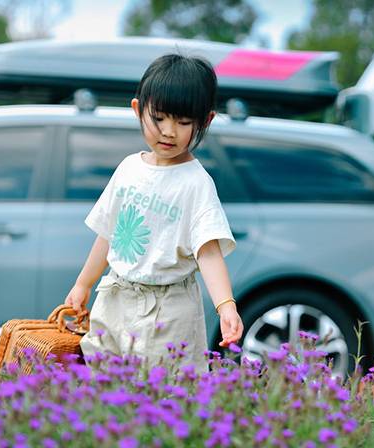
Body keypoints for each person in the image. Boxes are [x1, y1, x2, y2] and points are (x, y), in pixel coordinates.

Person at [64, 53, 243, 374]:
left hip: (170, 308)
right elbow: (109, 234)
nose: (169, 131)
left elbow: (209, 251)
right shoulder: (129, 168)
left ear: (206, 121)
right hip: (115, 297)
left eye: (184, 122)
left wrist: (225, 304)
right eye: (159, 118)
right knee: (102, 384)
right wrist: (82, 284)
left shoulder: (196, 183)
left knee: (165, 392)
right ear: (138, 110)